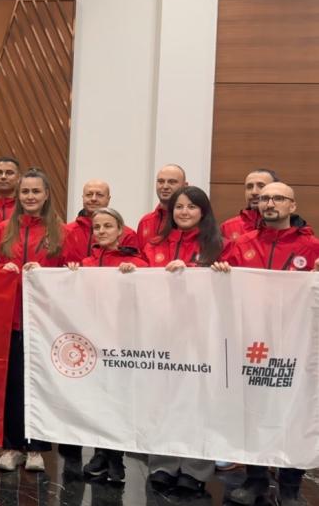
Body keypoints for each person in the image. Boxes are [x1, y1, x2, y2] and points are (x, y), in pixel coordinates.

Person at [214, 182, 319, 506]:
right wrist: (221, 272)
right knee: (254, 410)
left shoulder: (311, 247)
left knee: (294, 412)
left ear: (292, 205)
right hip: (253, 342)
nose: (270, 203)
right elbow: (220, 287)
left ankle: (290, 487)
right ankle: (256, 479)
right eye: (265, 199)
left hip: (295, 344)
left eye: (278, 198)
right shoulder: (242, 243)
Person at [143, 186, 224, 493]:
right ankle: (162, 464)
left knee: (198, 401)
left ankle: (195, 469)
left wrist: (191, 270)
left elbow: (226, 286)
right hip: (160, 334)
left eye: (191, 206)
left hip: (201, 336)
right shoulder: (154, 244)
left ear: (203, 211)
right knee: (162, 400)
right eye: (179, 207)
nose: (184, 212)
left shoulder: (218, 245)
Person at [65, 208, 147, 484]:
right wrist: (71, 275)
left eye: (108, 226)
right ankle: (101, 453)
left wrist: (134, 274)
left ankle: (116, 459)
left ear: (121, 230)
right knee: (98, 399)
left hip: (123, 342)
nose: (101, 231)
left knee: (118, 400)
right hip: (93, 342)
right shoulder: (86, 263)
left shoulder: (136, 261)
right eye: (97, 227)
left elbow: (148, 294)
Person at [0, 168, 64, 473]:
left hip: (44, 322)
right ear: (18, 195)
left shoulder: (61, 231)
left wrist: (48, 275)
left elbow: (72, 270)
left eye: (36, 191)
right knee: (11, 385)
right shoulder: (1, 230)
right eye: (25, 192)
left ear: (46, 195)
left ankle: (36, 449)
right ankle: (11, 447)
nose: (30, 196)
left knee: (40, 385)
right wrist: (1, 269)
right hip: (10, 319)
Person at [62, 179, 137, 262]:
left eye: (99, 195)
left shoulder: (127, 235)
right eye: (89, 195)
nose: (93, 199)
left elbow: (135, 264)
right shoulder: (67, 232)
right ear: (83, 198)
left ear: (108, 199)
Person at [137, 164, 187, 246]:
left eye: (172, 182)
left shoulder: (191, 221)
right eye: (161, 181)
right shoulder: (145, 222)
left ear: (185, 185)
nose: (165, 186)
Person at [220, 169, 278, 241]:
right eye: (249, 187)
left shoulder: (285, 226)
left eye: (261, 186)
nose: (254, 192)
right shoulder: (228, 227)